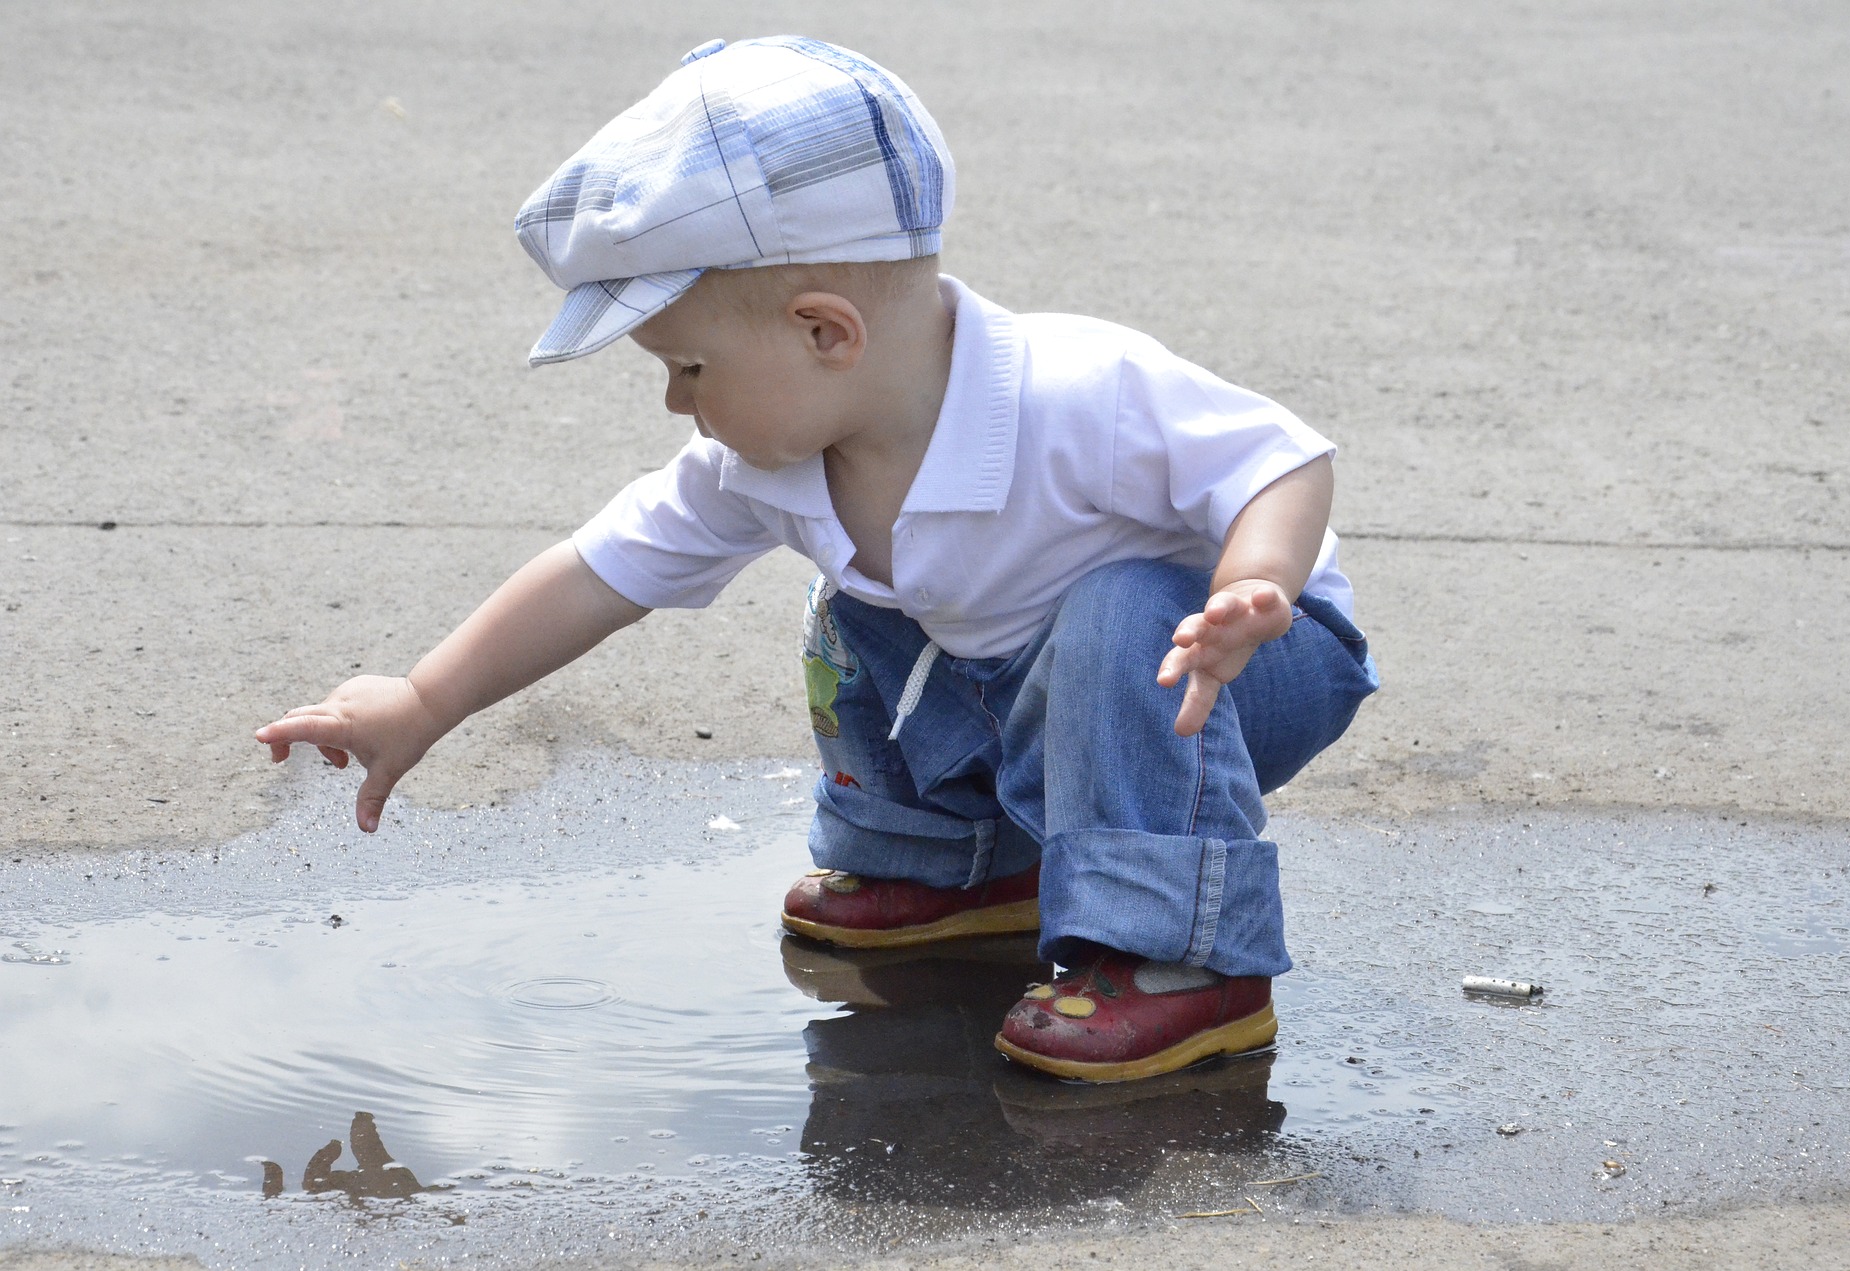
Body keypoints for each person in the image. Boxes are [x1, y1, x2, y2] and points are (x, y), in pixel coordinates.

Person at [256, 35, 1378, 1083]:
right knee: (857, 610)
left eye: (690, 367)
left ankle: (1183, 955)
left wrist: (1249, 586)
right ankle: (961, 862)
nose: (674, 400)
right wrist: (422, 698)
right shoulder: (769, 463)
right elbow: (600, 571)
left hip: (1232, 676)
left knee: (1119, 606)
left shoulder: (1073, 390)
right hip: (1037, 688)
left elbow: (1282, 458)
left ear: (824, 331)